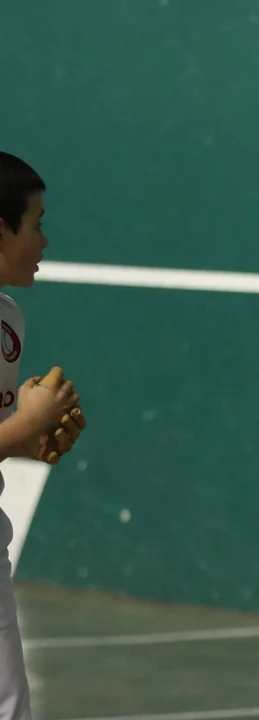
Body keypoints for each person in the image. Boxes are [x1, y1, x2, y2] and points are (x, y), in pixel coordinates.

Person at [0, 151, 85, 720]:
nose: (45, 241)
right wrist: (26, 424)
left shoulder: (9, 319)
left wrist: (30, 439)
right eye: (36, 223)